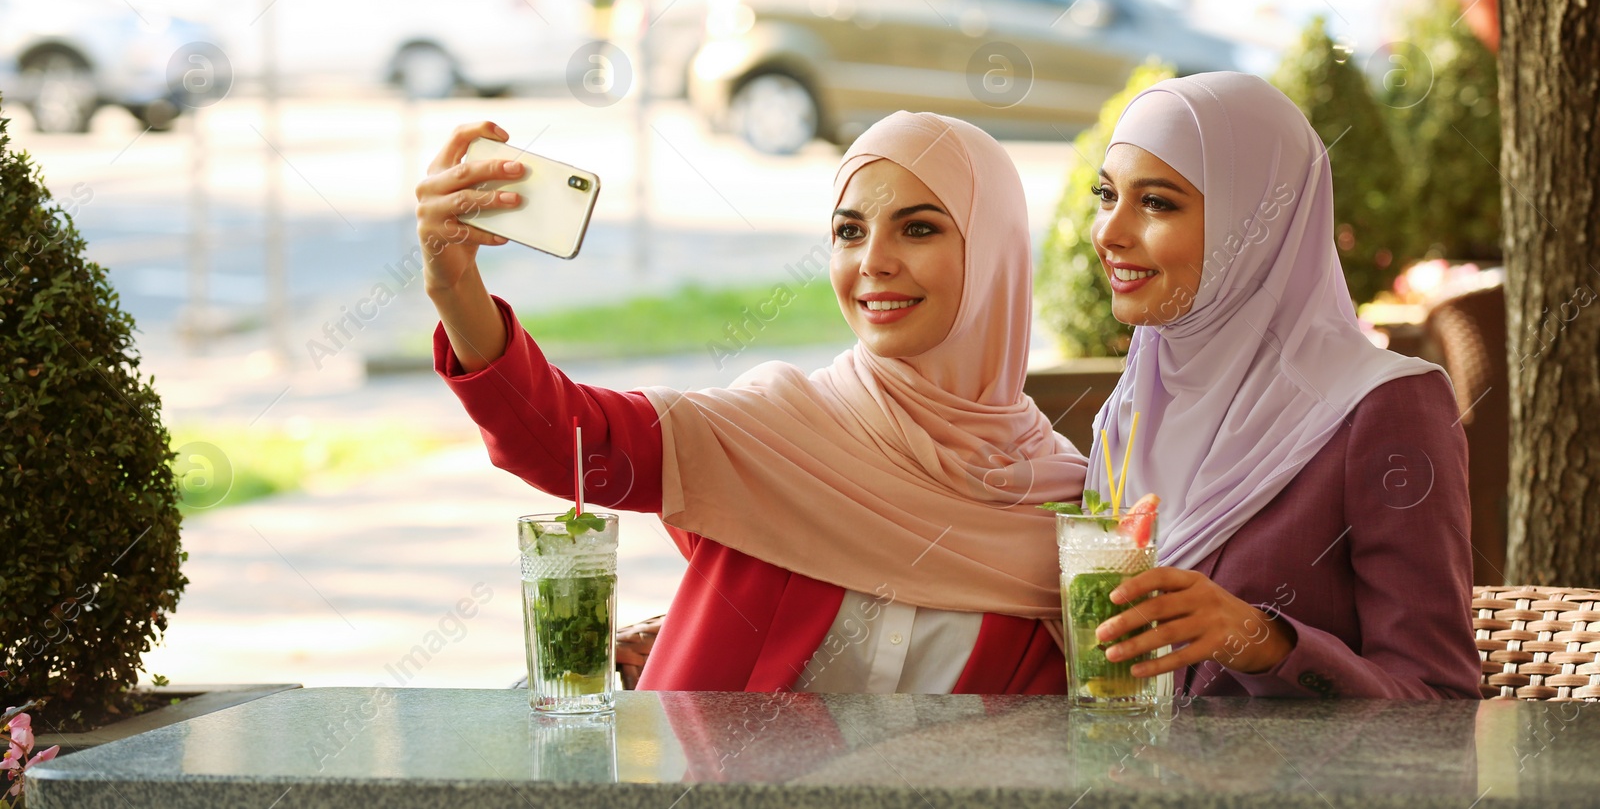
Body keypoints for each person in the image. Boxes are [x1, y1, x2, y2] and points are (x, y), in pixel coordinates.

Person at [417, 111, 1088, 693]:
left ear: (995, 251)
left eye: (918, 229)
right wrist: (455, 286)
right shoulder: (773, 431)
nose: (873, 261)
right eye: (850, 232)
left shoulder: (1065, 511)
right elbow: (568, 440)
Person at [1081, 71, 1481, 699]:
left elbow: (1442, 704)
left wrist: (1265, 642)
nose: (1109, 233)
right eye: (1107, 195)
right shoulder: (1128, 414)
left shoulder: (1384, 407)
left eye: (1156, 202)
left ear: (1256, 223)